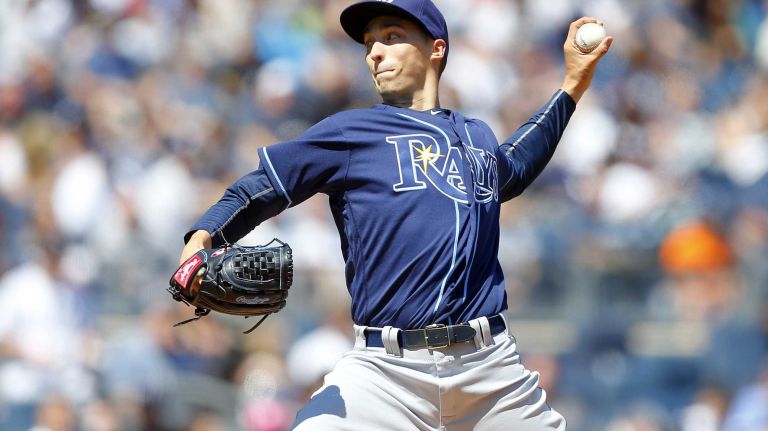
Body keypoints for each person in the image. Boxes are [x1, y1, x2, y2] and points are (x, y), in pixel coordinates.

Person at [177, 0, 612, 429]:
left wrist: (573, 84)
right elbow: (261, 189)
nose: (375, 53)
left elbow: (513, 166)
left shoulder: (477, 136)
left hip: (490, 369)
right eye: (370, 43)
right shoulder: (351, 133)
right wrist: (202, 237)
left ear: (436, 48)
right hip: (385, 373)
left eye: (391, 37)